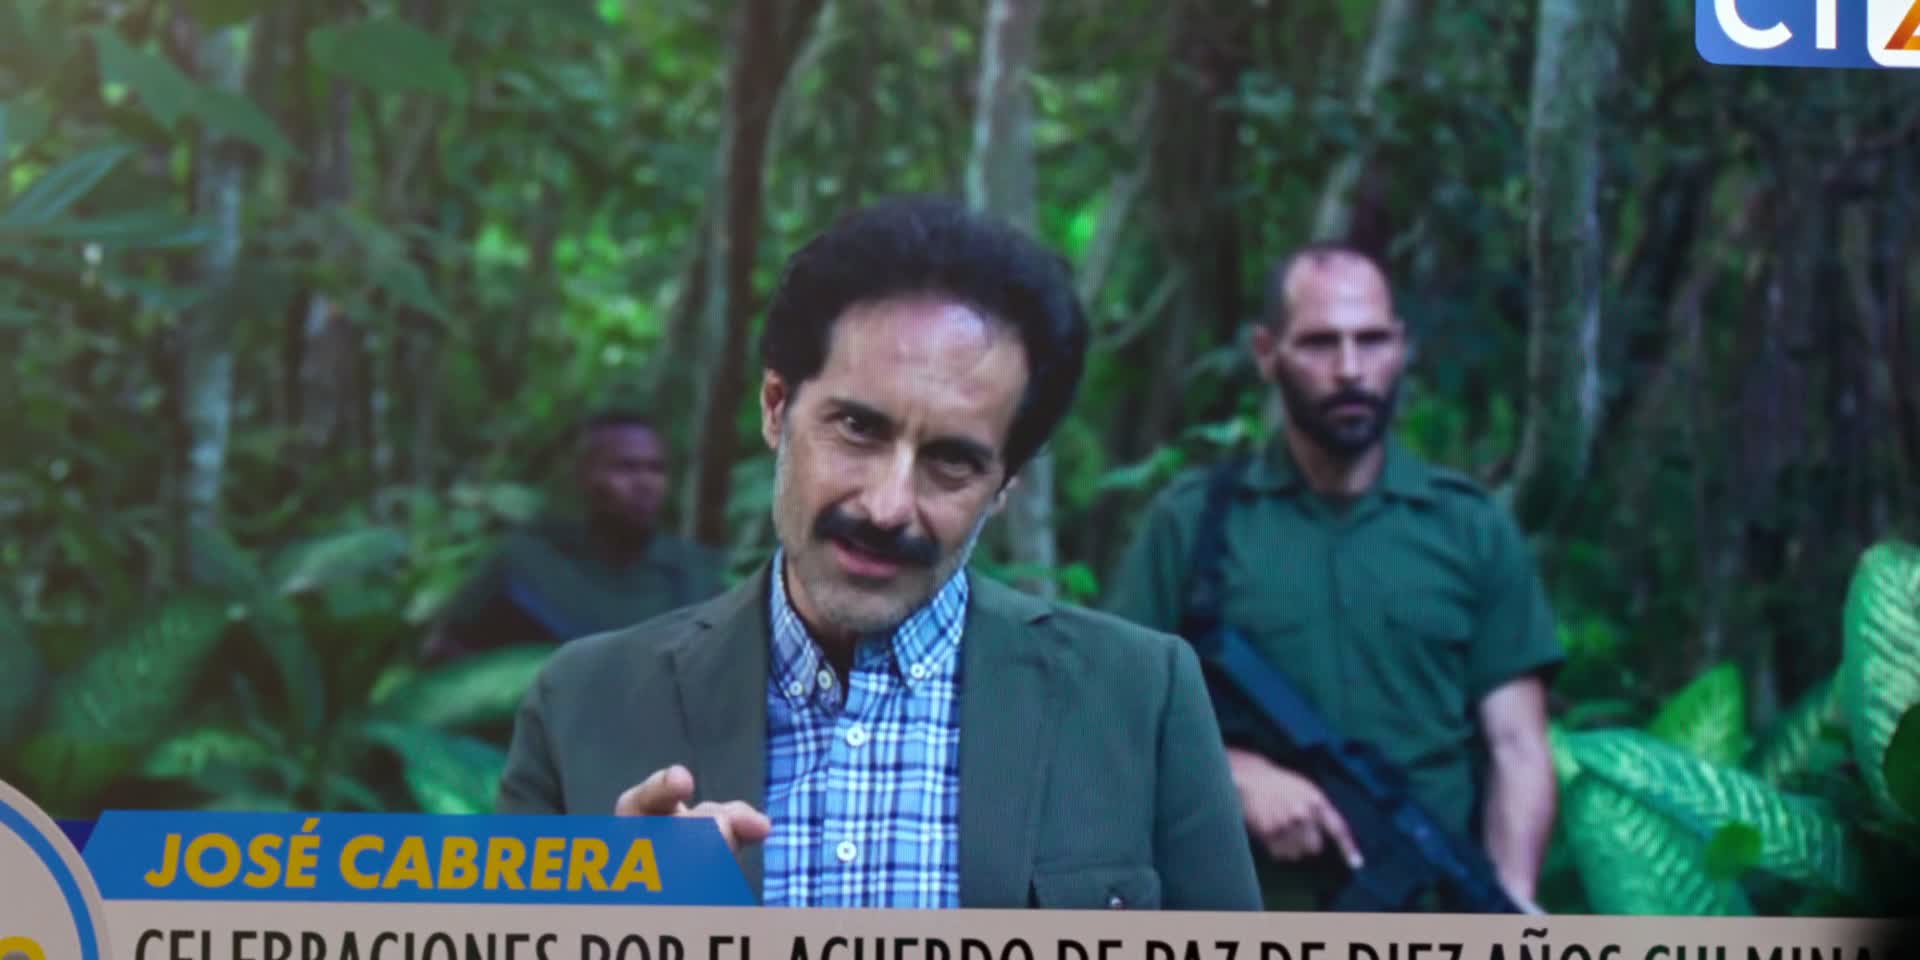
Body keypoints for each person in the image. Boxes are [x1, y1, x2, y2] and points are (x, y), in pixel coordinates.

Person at [495, 196, 1263, 912]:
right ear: (776, 407)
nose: (888, 506)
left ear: (1006, 483)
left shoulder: (1139, 698)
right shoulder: (584, 702)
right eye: (858, 429)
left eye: (952, 461)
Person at [1103, 243, 1562, 912]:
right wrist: (1234, 777)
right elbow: (1113, 716)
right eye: (1320, 343)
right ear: (1267, 353)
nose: (1350, 369)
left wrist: (1511, 898)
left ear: (1401, 348)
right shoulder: (1194, 523)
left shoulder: (1469, 527)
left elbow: (1518, 745)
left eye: (1371, 341)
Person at [421, 411, 726, 664]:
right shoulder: (527, 562)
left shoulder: (698, 573)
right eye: (625, 468)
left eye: (656, 469)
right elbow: (444, 653)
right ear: (586, 476)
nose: (645, 483)